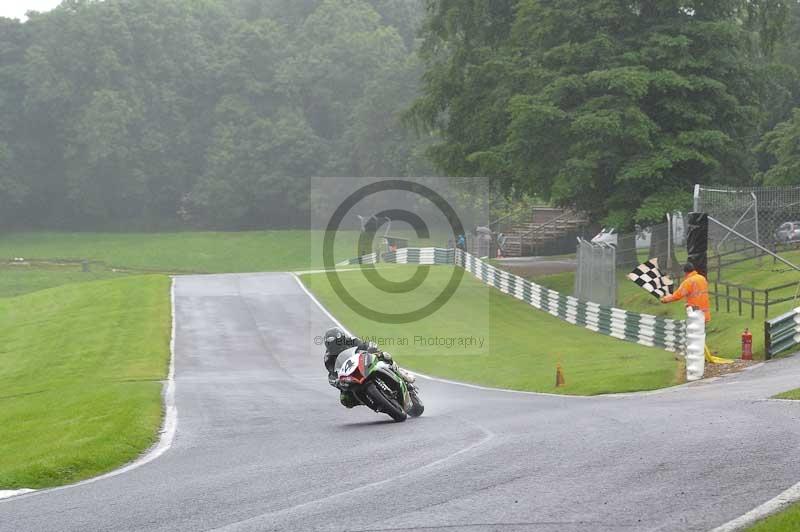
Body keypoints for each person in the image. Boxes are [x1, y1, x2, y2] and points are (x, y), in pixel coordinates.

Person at [323, 327, 414, 409]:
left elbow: (365, 345)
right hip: (350, 376)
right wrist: (336, 381)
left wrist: (371, 348)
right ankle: (373, 401)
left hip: (363, 364)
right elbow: (332, 374)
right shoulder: (328, 358)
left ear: (343, 339)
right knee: (345, 400)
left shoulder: (351, 340)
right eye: (332, 345)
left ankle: (402, 374)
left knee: (385, 356)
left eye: (338, 343)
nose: (336, 346)